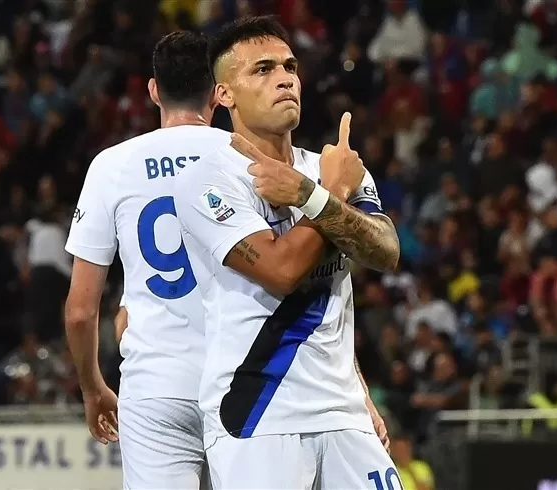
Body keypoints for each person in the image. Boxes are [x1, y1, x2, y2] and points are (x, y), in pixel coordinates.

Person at [172, 16, 401, 489]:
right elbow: (281, 270)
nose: (285, 78)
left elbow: (385, 252)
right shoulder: (207, 181)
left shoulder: (332, 167)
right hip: (260, 414)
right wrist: (327, 195)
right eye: (263, 69)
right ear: (224, 94)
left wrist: (313, 194)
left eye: (290, 66)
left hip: (344, 413)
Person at [63, 31, 225, 489]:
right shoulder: (247, 158)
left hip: (155, 385)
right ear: (217, 93)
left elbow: (80, 312)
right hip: (241, 381)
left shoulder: (113, 165)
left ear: (154, 90)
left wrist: (93, 387)